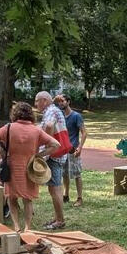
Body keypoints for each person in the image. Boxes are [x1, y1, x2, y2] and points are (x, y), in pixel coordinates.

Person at [0, 102, 59, 232]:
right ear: (31, 114)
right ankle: (27, 227)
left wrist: (2, 152)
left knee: (12, 198)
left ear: (15, 114)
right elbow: (55, 144)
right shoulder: (36, 130)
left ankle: (16, 226)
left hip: (12, 167)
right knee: (28, 200)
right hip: (30, 169)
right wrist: (39, 155)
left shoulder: (9, 127)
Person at [34, 91, 73, 230]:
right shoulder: (54, 110)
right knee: (54, 188)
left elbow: (49, 126)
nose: (35, 104)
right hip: (57, 154)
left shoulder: (51, 110)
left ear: (44, 100)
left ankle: (60, 221)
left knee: (55, 188)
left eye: (37, 100)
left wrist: (45, 144)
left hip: (53, 155)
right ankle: (57, 218)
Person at [54, 93, 86, 207]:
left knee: (77, 174)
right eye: (59, 101)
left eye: (63, 101)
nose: (60, 103)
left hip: (73, 149)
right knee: (64, 174)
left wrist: (80, 147)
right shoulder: (60, 115)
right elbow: (50, 109)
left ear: (68, 102)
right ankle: (66, 195)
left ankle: (79, 198)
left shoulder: (76, 116)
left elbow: (84, 132)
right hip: (63, 149)